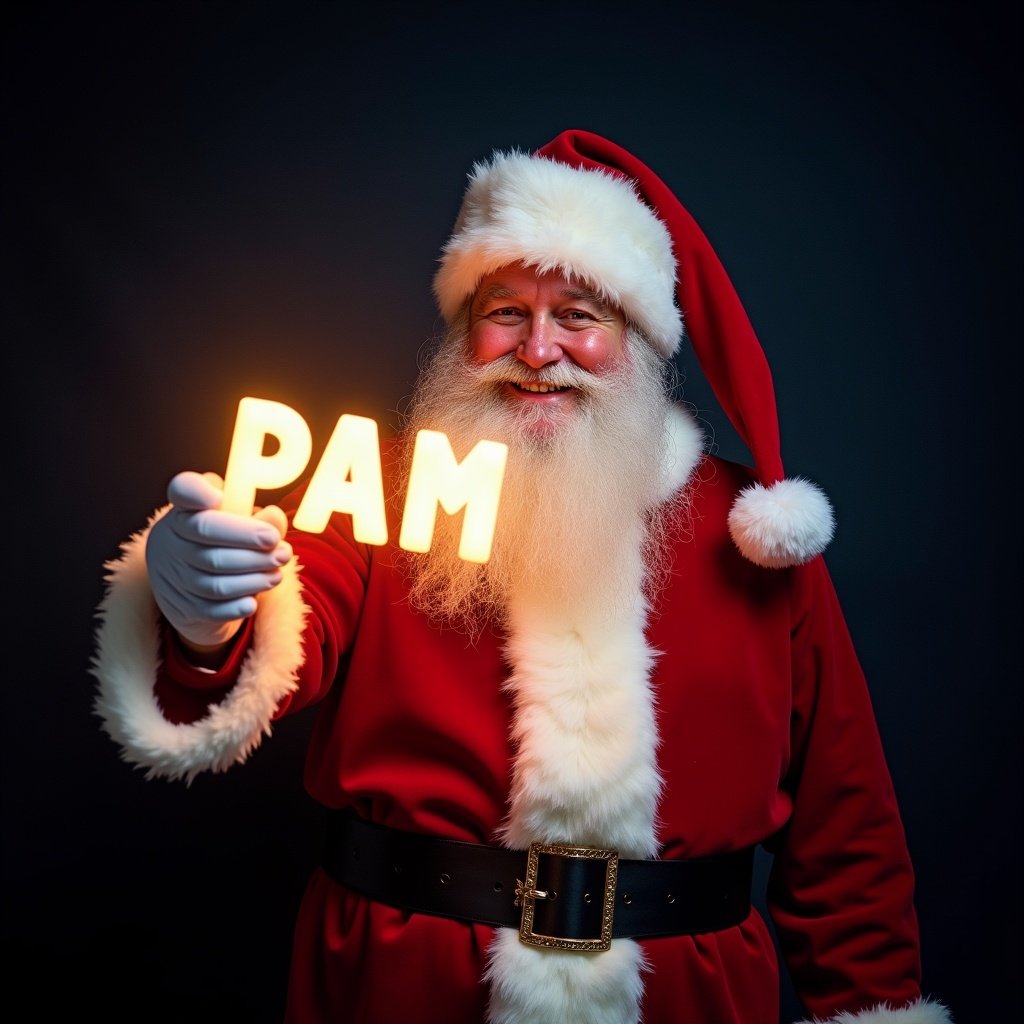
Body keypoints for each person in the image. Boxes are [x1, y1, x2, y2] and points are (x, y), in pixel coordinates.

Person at [90, 130, 953, 1024]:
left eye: (580, 316)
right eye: (505, 310)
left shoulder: (751, 534)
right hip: (403, 991)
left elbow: (848, 833)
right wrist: (204, 615)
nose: (537, 350)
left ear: (642, 339)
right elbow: (285, 627)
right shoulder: (374, 494)